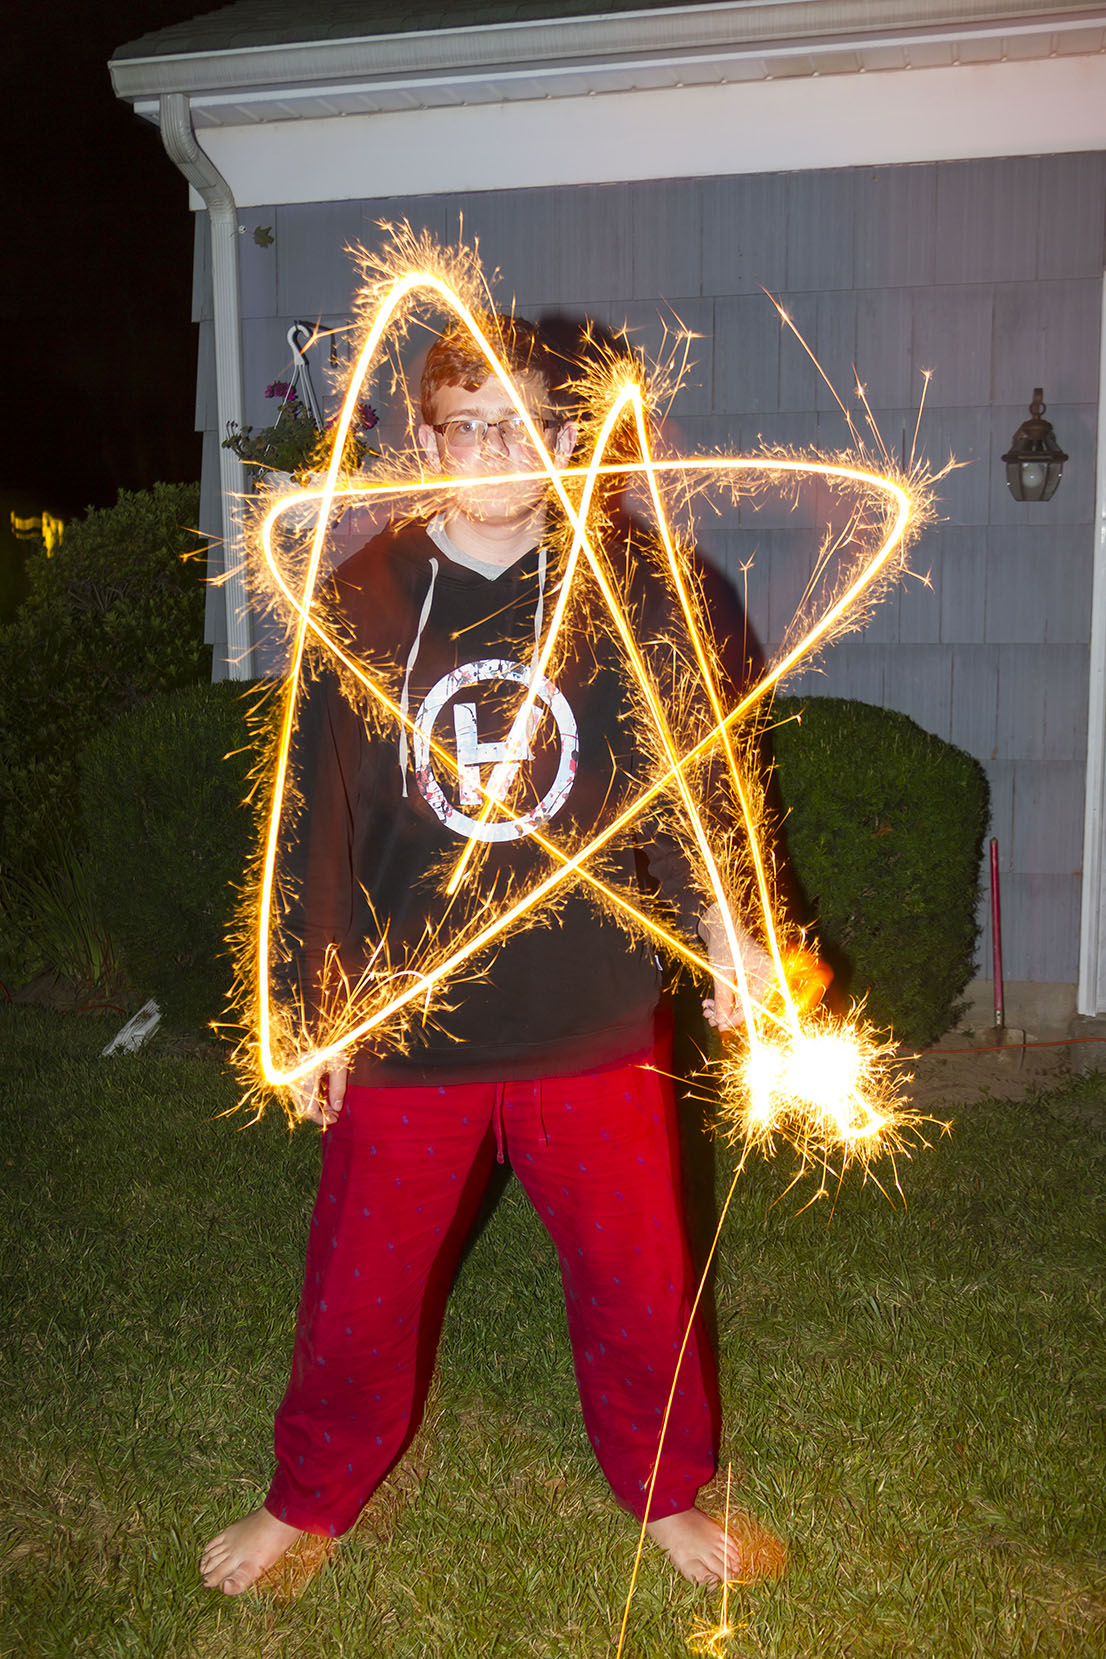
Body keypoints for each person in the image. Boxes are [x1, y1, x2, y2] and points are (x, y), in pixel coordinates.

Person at [201, 316, 780, 1597]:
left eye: (524, 426)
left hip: (590, 1014)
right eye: (468, 427)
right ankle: (309, 1494)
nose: (497, 451)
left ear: (566, 439)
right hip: (413, 1021)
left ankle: (662, 1485)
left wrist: (726, 931)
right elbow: (314, 820)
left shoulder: (631, 593)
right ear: (425, 443)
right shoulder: (359, 598)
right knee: (358, 1292)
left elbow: (687, 785)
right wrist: (314, 1001)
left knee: (638, 1282)